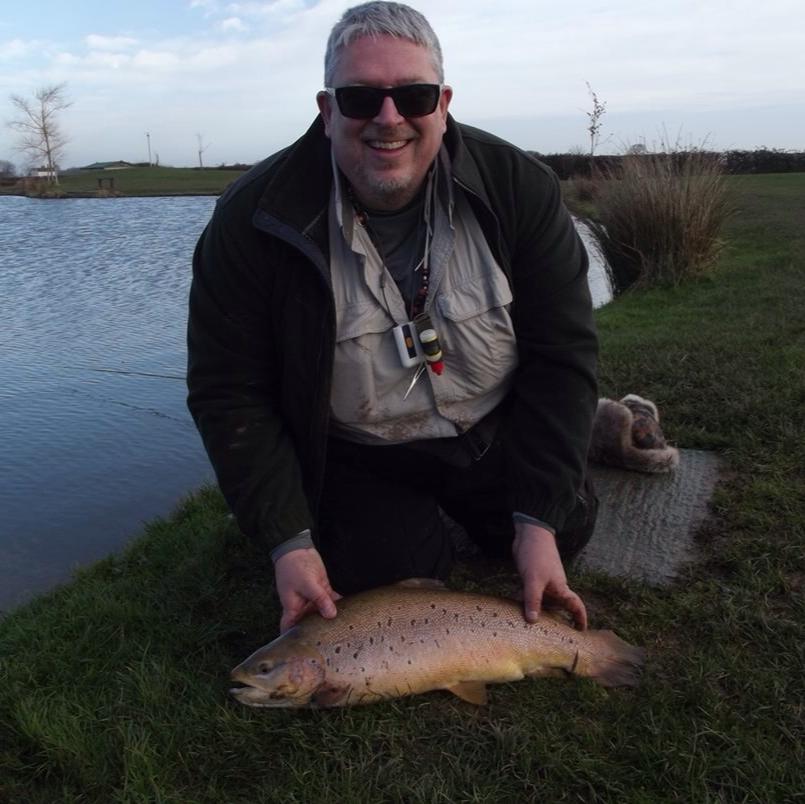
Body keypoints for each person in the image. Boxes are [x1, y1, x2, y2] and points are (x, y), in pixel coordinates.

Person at [187, 1, 598, 635]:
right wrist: (287, 542)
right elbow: (229, 395)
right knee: (376, 575)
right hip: (359, 451)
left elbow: (561, 357)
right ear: (327, 112)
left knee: (564, 525)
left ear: (443, 103)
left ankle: (587, 442)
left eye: (413, 95)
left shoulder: (521, 188)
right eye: (360, 99)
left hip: (492, 430)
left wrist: (536, 522)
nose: (388, 119)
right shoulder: (250, 221)